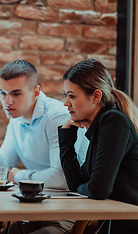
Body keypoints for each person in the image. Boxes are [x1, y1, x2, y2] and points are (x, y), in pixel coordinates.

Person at [0, 60, 87, 234]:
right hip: (36, 212)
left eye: (16, 93)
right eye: (2, 93)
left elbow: (61, 179)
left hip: (66, 214)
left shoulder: (56, 117)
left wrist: (18, 176)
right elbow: (2, 172)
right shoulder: (16, 117)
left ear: (36, 91)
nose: (7, 101)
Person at [58, 59, 138, 233]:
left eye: (72, 96)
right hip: (112, 224)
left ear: (96, 96)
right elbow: (76, 184)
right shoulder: (101, 125)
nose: (66, 103)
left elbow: (98, 189)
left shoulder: (114, 121)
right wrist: (67, 133)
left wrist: (85, 187)